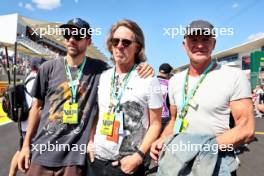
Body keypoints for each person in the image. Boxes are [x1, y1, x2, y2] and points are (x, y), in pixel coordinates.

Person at [17, 18, 153, 176]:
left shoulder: (100, 70)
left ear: (88, 41)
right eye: (68, 34)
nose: (71, 39)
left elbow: (124, 67)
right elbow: (36, 108)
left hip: (74, 160)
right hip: (42, 153)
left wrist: (143, 67)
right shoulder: (48, 68)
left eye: (78, 36)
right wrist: (26, 146)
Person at [150, 20, 255, 175]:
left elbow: (246, 129)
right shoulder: (175, 81)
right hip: (177, 162)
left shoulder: (234, 76)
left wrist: (198, 148)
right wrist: (163, 138)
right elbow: (174, 120)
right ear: (184, 44)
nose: (199, 45)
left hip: (217, 163)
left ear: (214, 43)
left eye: (205, 39)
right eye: (194, 39)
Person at [87, 19, 163, 176]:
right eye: (116, 41)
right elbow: (97, 113)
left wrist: (138, 157)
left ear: (137, 47)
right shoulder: (103, 76)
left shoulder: (149, 79)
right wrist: (90, 142)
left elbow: (156, 124)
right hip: (96, 161)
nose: (120, 45)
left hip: (127, 165)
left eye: (126, 42)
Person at [8, 58, 46, 176]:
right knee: (30, 154)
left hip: (24, 122)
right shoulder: (36, 80)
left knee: (21, 150)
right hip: (32, 124)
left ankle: (11, 174)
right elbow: (36, 106)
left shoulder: (29, 78)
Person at [157, 63, 173, 131]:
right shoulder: (170, 84)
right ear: (169, 74)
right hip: (165, 118)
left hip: (152, 117)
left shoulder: (151, 82)